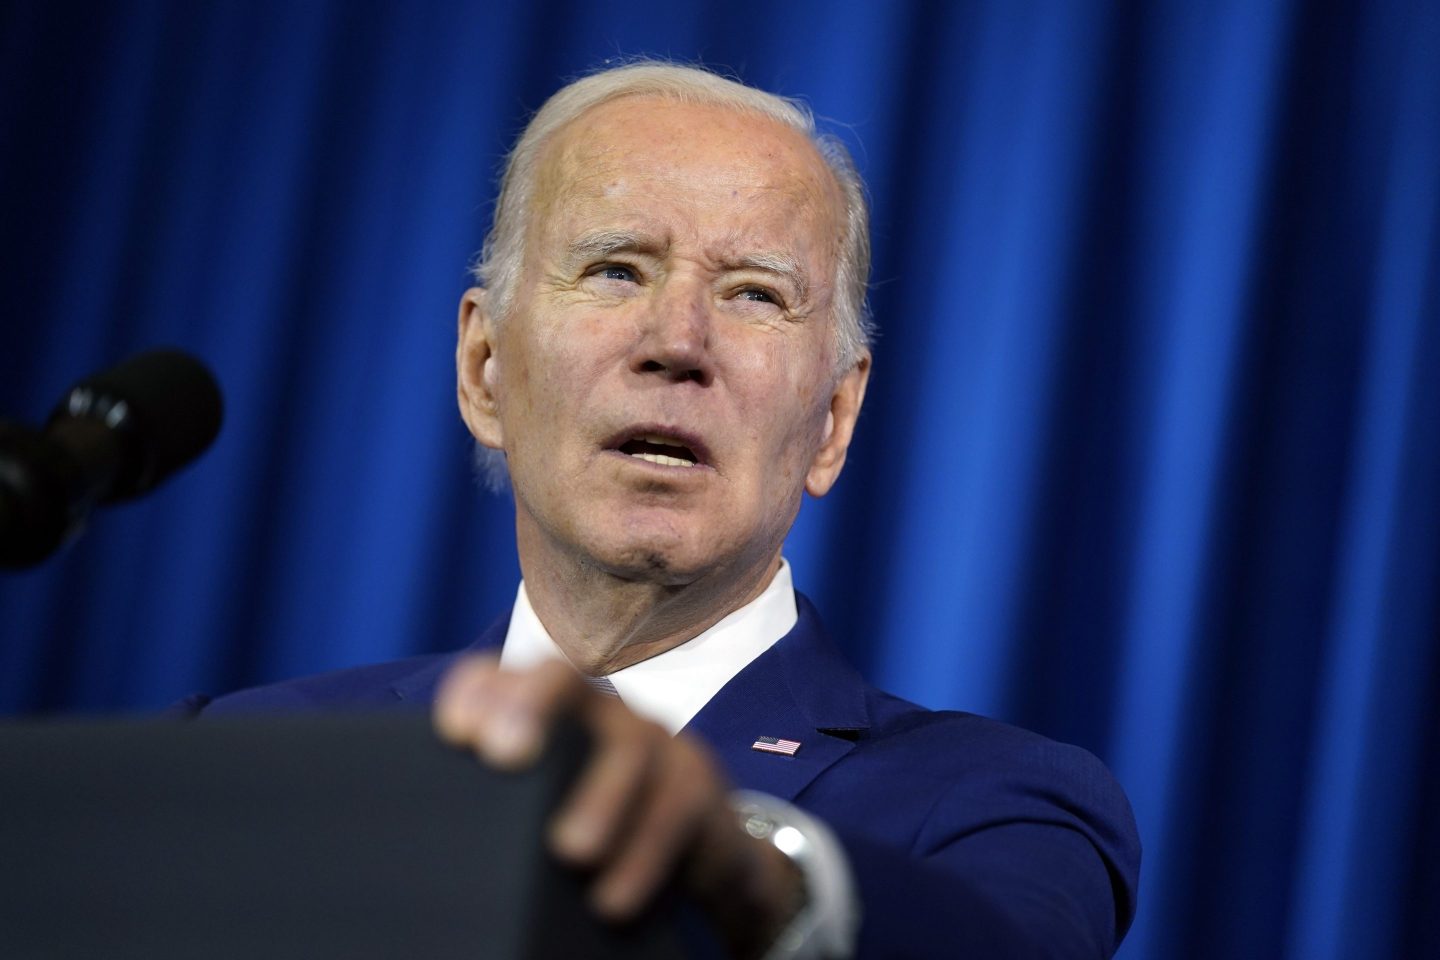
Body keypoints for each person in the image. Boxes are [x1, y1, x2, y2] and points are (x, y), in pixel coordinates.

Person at [199, 61, 1140, 958]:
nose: (677, 341)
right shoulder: (244, 758)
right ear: (485, 369)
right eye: (616, 269)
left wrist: (758, 877)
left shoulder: (994, 804)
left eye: (754, 294)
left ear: (832, 422)